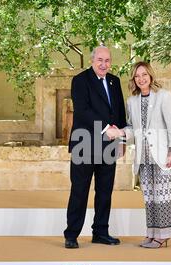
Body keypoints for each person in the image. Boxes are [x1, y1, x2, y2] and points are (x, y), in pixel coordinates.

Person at [63, 45, 127, 249]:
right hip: (85, 143)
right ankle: (71, 234)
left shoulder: (114, 81)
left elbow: (119, 112)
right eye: (100, 60)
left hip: (109, 145)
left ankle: (100, 232)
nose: (104, 64)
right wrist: (106, 128)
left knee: (105, 191)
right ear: (92, 60)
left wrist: (122, 140)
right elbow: (82, 111)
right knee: (79, 191)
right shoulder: (80, 81)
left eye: (107, 60)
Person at [111, 61, 171, 249]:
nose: (141, 78)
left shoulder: (163, 96)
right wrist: (121, 133)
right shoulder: (131, 101)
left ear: (150, 75)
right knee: (149, 198)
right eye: (137, 76)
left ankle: (163, 236)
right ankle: (151, 233)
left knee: (163, 197)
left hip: (162, 156)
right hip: (143, 158)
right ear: (134, 79)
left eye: (144, 75)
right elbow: (133, 130)